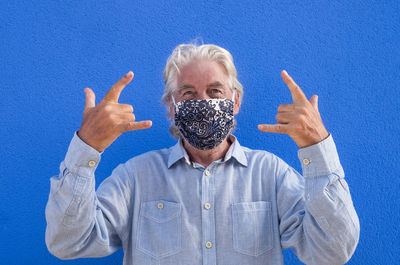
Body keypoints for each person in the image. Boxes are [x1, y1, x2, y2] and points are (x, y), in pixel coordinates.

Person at [45, 43, 360, 265]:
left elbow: (333, 252)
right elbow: (67, 243)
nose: (204, 103)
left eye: (215, 92)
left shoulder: (271, 174)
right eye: (188, 94)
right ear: (171, 106)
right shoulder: (135, 177)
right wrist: (86, 147)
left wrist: (318, 150)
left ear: (235, 102)